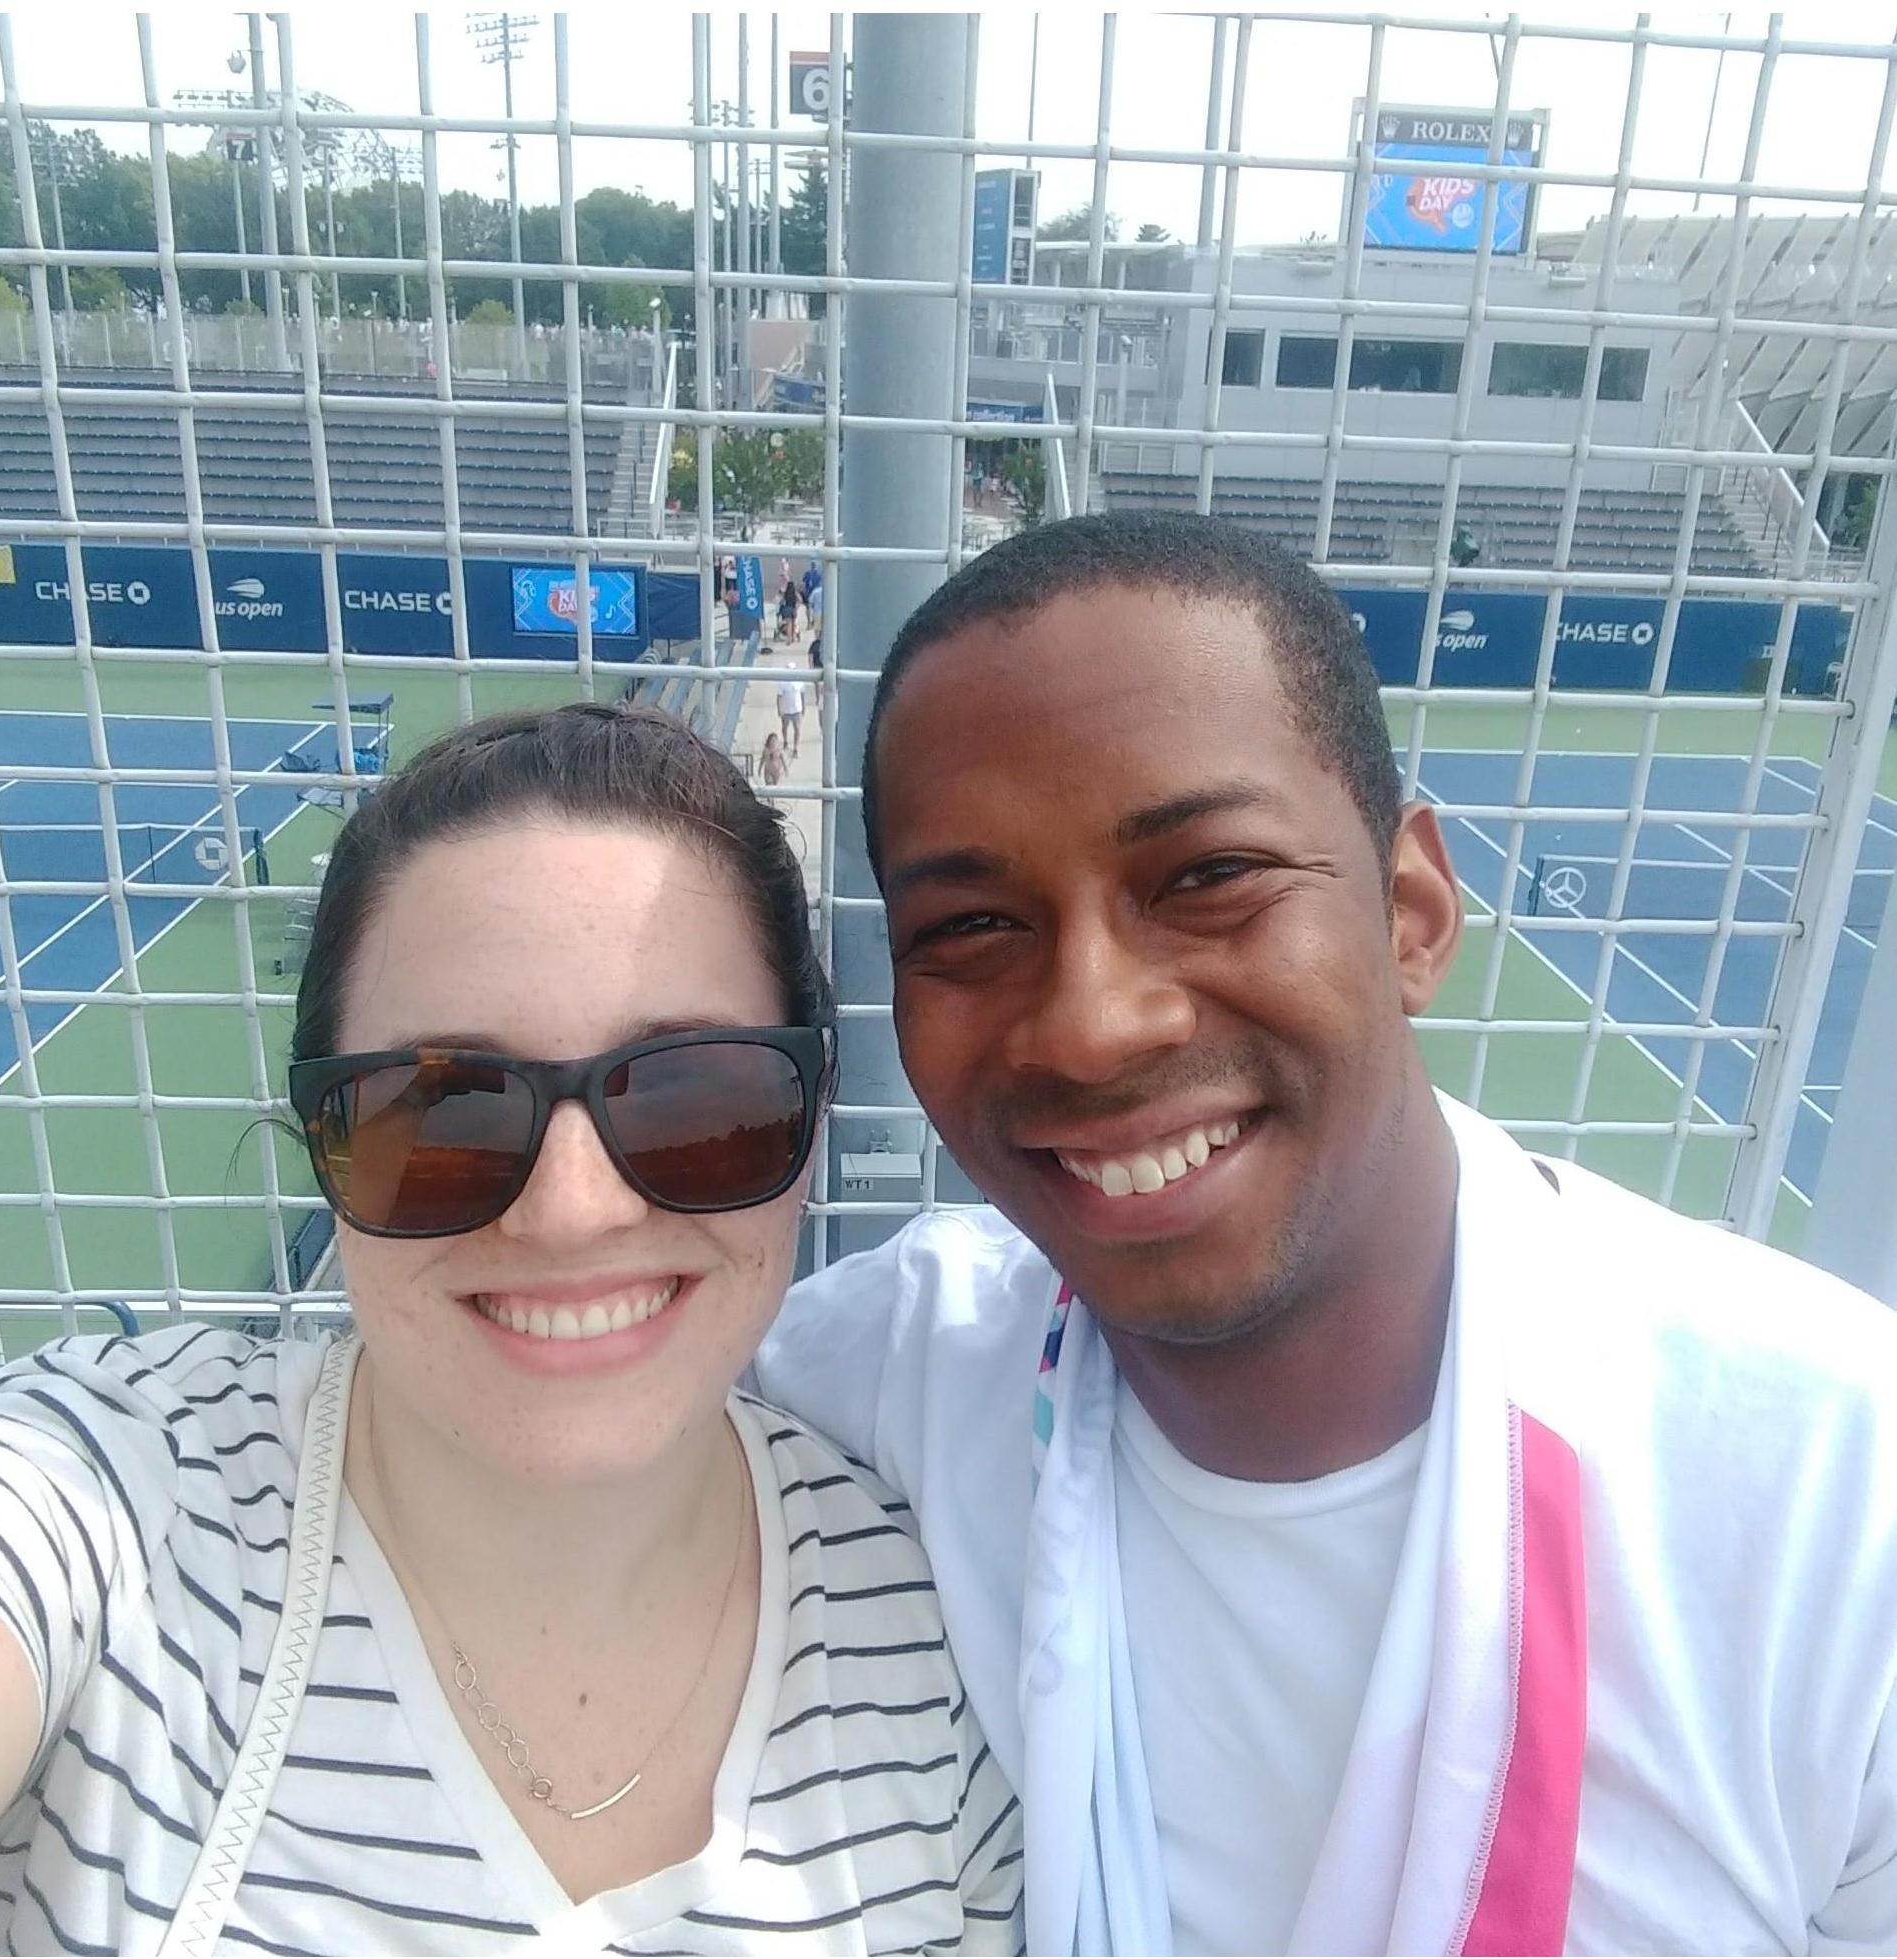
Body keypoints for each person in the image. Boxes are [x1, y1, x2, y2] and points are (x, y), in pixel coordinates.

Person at [755, 514, 1897, 1956]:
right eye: (972, 926)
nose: (1095, 1019)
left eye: (1205, 876)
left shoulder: (1836, 1499)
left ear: (1410, 912)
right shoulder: (871, 1387)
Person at [0, 706, 1022, 1954]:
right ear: (323, 1142)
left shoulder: (936, 1641)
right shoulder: (119, 1505)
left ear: (810, 1116)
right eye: (442, 1113)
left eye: (691, 1099)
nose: (570, 1213)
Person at [775, 675, 805, 761]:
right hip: (786, 710)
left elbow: (802, 695)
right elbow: (779, 697)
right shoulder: (782, 682)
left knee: (798, 730)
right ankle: (785, 741)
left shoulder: (800, 681)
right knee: (785, 728)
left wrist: (803, 707)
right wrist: (779, 709)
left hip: (797, 710)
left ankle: (796, 748)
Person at [802, 561, 823, 633]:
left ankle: (809, 623)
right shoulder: (819, 574)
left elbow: (804, 584)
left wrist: (804, 592)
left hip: (809, 593)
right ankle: (813, 621)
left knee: (808, 608)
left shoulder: (807, 573)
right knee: (817, 608)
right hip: (817, 592)